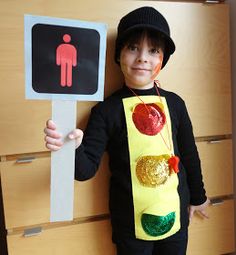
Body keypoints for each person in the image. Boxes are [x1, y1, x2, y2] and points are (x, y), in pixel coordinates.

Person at [44, 6, 210, 255]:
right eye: (133, 47)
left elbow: (189, 154)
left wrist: (198, 196)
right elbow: (84, 170)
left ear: (162, 59)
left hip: (176, 222)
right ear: (118, 55)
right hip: (130, 230)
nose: (143, 57)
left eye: (153, 50)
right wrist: (71, 148)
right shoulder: (106, 110)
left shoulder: (176, 104)